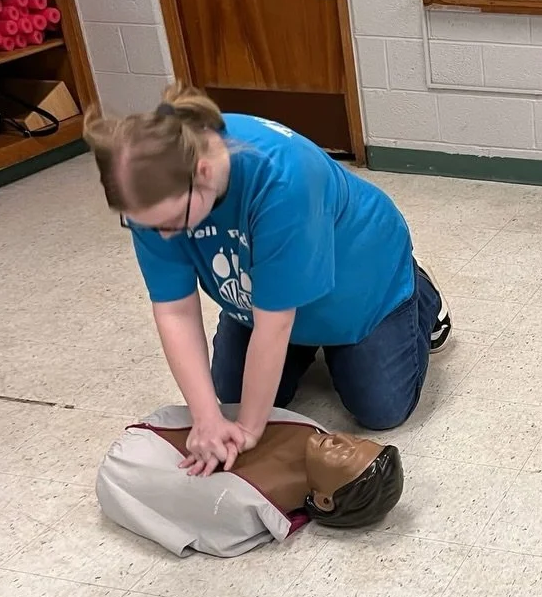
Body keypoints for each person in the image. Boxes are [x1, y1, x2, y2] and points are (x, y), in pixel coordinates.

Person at [85, 84, 450, 477]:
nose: (165, 236)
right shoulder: (148, 193)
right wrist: (206, 418)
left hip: (362, 280)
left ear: (203, 172)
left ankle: (417, 293)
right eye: (145, 225)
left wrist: (247, 429)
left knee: (381, 410)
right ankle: (302, 338)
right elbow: (174, 310)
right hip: (259, 296)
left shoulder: (282, 179)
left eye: (173, 222)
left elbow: (275, 326)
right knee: (228, 398)